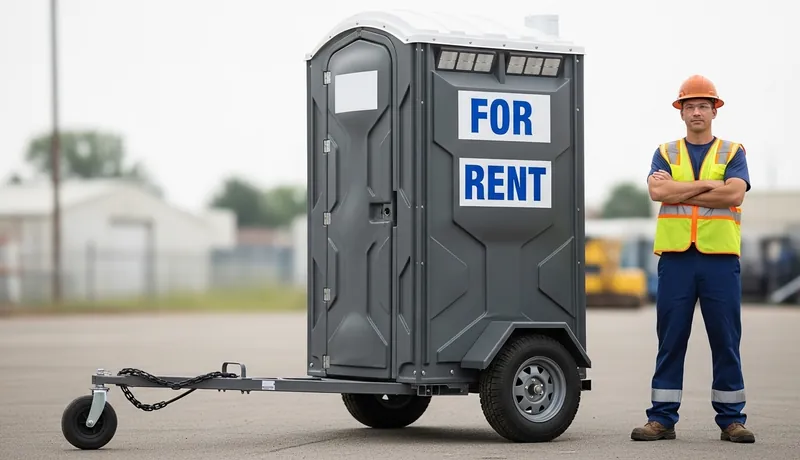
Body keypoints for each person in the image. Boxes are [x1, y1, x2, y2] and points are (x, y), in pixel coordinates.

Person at [630, 75, 755, 443]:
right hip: (676, 260)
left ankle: (732, 421)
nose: (696, 112)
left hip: (720, 261)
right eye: (690, 106)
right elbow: (658, 191)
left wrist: (681, 192)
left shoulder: (733, 152)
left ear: (714, 111)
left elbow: (734, 194)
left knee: (726, 341)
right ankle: (661, 419)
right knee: (670, 340)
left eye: (703, 106)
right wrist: (710, 186)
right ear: (681, 112)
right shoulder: (665, 152)